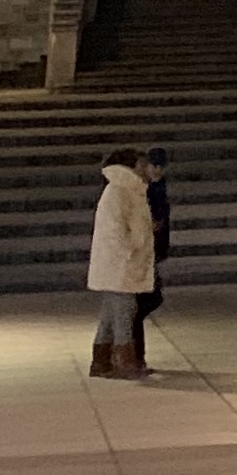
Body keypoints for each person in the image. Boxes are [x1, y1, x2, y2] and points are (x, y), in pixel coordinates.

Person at [86, 151, 156, 377]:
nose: (146, 168)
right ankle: (123, 362)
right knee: (125, 312)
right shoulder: (119, 191)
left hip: (120, 262)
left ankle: (101, 361)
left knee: (110, 314)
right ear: (131, 166)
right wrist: (132, 248)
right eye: (142, 164)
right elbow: (115, 230)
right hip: (120, 263)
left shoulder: (129, 190)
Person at [141, 146, 172, 332]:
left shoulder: (158, 185)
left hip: (156, 239)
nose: (158, 170)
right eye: (155, 166)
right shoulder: (148, 187)